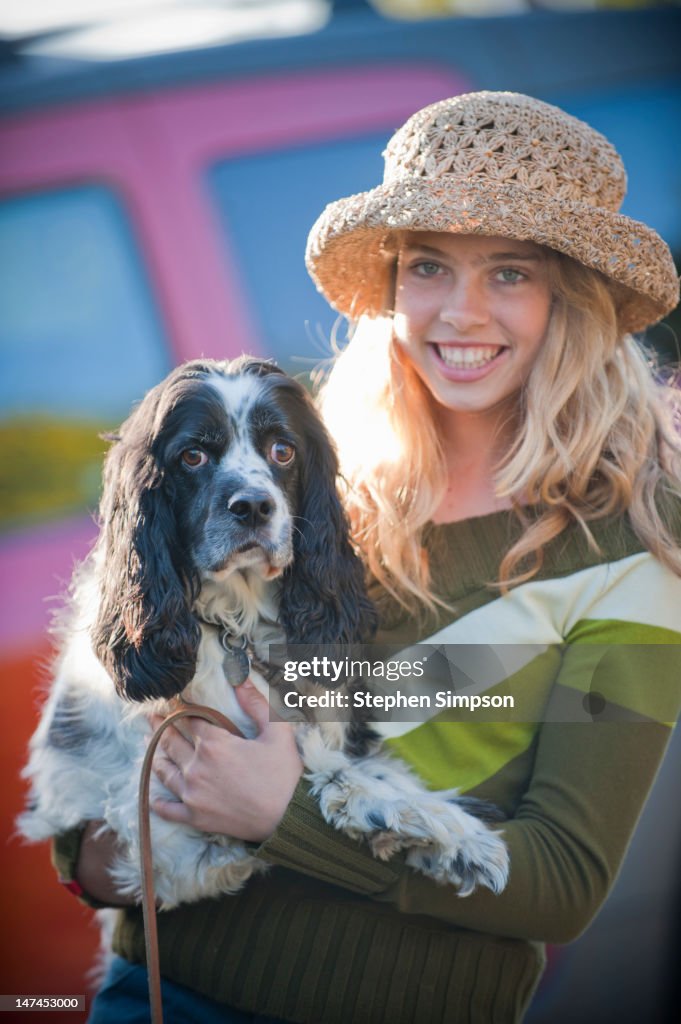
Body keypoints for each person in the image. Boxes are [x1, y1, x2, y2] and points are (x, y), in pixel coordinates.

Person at [54, 92, 681, 1024]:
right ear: (392, 286)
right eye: (428, 265)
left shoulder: (635, 541)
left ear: (571, 298)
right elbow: (124, 751)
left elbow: (564, 882)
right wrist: (103, 848)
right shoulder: (301, 475)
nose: (459, 313)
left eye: (508, 273)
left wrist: (281, 819)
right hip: (157, 993)